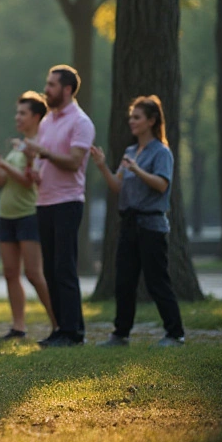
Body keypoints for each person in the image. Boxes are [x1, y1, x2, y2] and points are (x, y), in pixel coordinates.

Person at [91, 96, 185, 347]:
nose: (131, 121)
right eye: (131, 116)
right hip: (129, 225)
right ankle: (120, 334)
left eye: (137, 117)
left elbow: (162, 184)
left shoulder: (161, 152)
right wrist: (102, 166)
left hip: (151, 226)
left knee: (156, 281)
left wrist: (137, 170)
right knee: (124, 281)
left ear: (152, 121)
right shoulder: (130, 152)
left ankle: (175, 333)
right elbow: (118, 187)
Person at [23, 65, 95, 347]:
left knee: (64, 267)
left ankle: (74, 332)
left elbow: (75, 161)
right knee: (51, 269)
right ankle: (60, 329)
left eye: (52, 84)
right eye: (47, 83)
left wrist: (45, 153)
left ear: (67, 89)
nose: (47, 89)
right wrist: (34, 172)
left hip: (67, 202)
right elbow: (44, 162)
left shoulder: (80, 122)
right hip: (45, 201)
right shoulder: (47, 122)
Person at [0, 92, 55, 341]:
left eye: (22, 113)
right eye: (17, 113)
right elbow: (3, 183)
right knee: (10, 273)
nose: (18, 117)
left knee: (34, 273)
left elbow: (27, 182)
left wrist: (2, 164)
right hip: (7, 216)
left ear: (36, 116)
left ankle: (58, 324)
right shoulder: (19, 147)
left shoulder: (36, 147)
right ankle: (18, 326)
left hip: (28, 215)